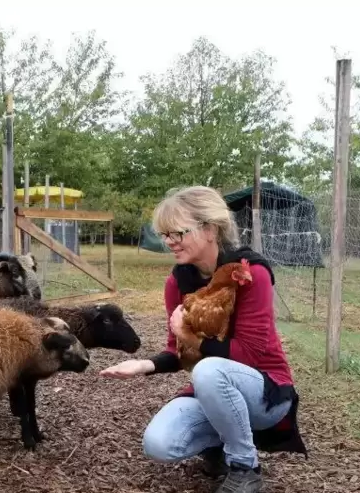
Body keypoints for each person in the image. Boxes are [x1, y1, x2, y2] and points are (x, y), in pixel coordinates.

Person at [100, 185, 307, 493]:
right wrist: (145, 364)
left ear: (210, 229)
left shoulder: (250, 272)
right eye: (165, 234)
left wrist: (188, 335)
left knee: (208, 370)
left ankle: (244, 467)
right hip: (215, 385)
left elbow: (246, 356)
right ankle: (220, 444)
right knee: (159, 443)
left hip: (265, 392)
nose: (169, 242)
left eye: (177, 233)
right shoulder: (178, 282)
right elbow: (179, 350)